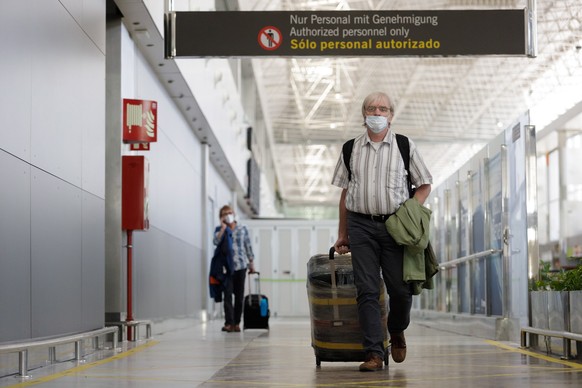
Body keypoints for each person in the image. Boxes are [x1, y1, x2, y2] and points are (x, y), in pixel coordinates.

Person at [331, 91, 433, 371]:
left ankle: (397, 329)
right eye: (372, 109)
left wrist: (409, 212)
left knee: (400, 291)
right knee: (366, 289)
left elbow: (424, 184)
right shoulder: (350, 148)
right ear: (363, 114)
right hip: (360, 225)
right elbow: (345, 193)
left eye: (383, 109)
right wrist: (343, 233)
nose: (377, 113)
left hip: (394, 227)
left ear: (391, 115)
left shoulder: (404, 146)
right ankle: (374, 353)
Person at [213, 205, 256, 332]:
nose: (228, 215)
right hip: (227, 268)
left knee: (239, 296)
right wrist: (222, 228)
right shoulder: (220, 229)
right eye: (225, 214)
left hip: (241, 266)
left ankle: (236, 323)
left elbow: (247, 245)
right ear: (221, 217)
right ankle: (229, 323)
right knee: (227, 296)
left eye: (230, 212)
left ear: (234, 213)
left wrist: (251, 263)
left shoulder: (242, 228)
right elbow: (215, 242)